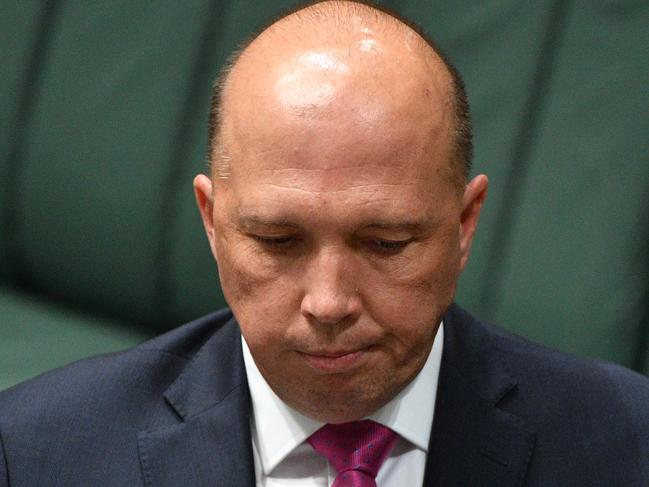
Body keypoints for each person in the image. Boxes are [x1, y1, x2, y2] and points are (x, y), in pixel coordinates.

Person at [1, 1, 648, 486]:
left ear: (464, 223)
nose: (330, 301)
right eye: (278, 240)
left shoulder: (626, 443)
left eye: (387, 242)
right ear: (211, 220)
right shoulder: (35, 452)